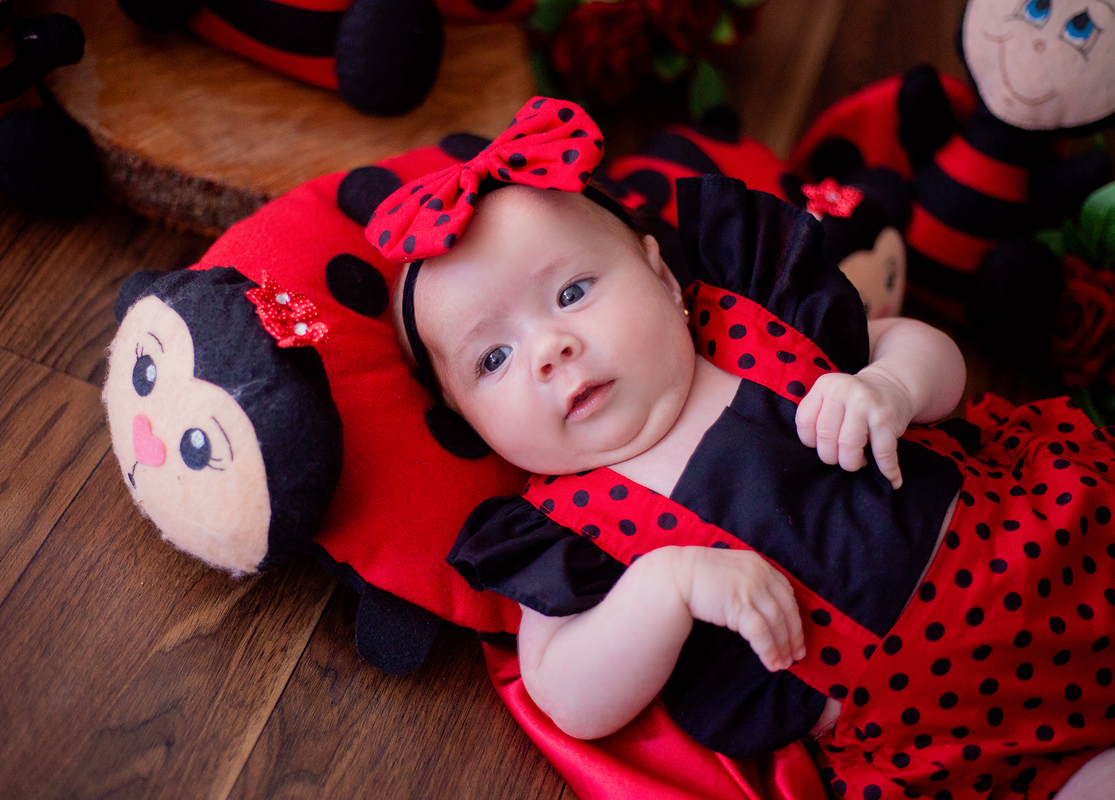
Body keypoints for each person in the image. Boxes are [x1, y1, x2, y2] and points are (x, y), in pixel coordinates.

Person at [366, 96, 1115, 800]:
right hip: (940, 735)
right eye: (492, 360)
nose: (550, 351)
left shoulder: (761, 320)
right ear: (470, 423)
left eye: (571, 293)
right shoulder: (566, 532)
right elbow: (567, 695)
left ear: (662, 277)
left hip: (1044, 544)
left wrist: (891, 386)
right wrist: (667, 589)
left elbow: (934, 359)